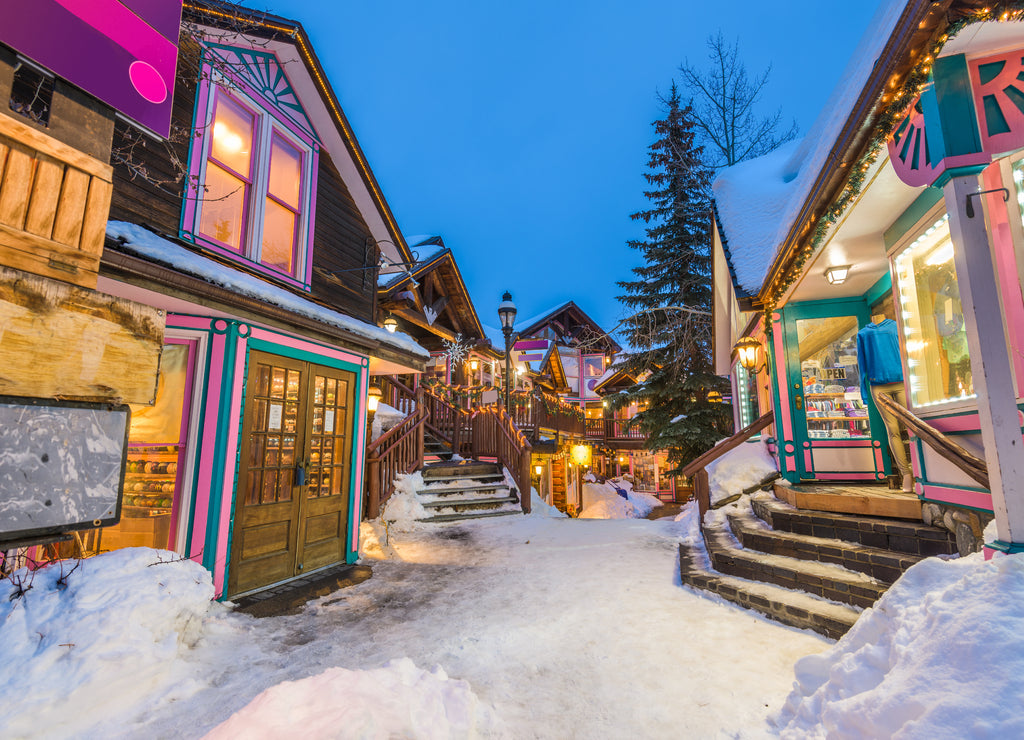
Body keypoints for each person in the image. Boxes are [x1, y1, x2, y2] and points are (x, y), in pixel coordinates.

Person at [857, 320, 913, 492]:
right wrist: (864, 393)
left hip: (902, 381)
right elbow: (862, 365)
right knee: (892, 429)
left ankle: (920, 470)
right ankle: (906, 474)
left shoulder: (897, 325)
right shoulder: (863, 334)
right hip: (879, 386)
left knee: (913, 426)